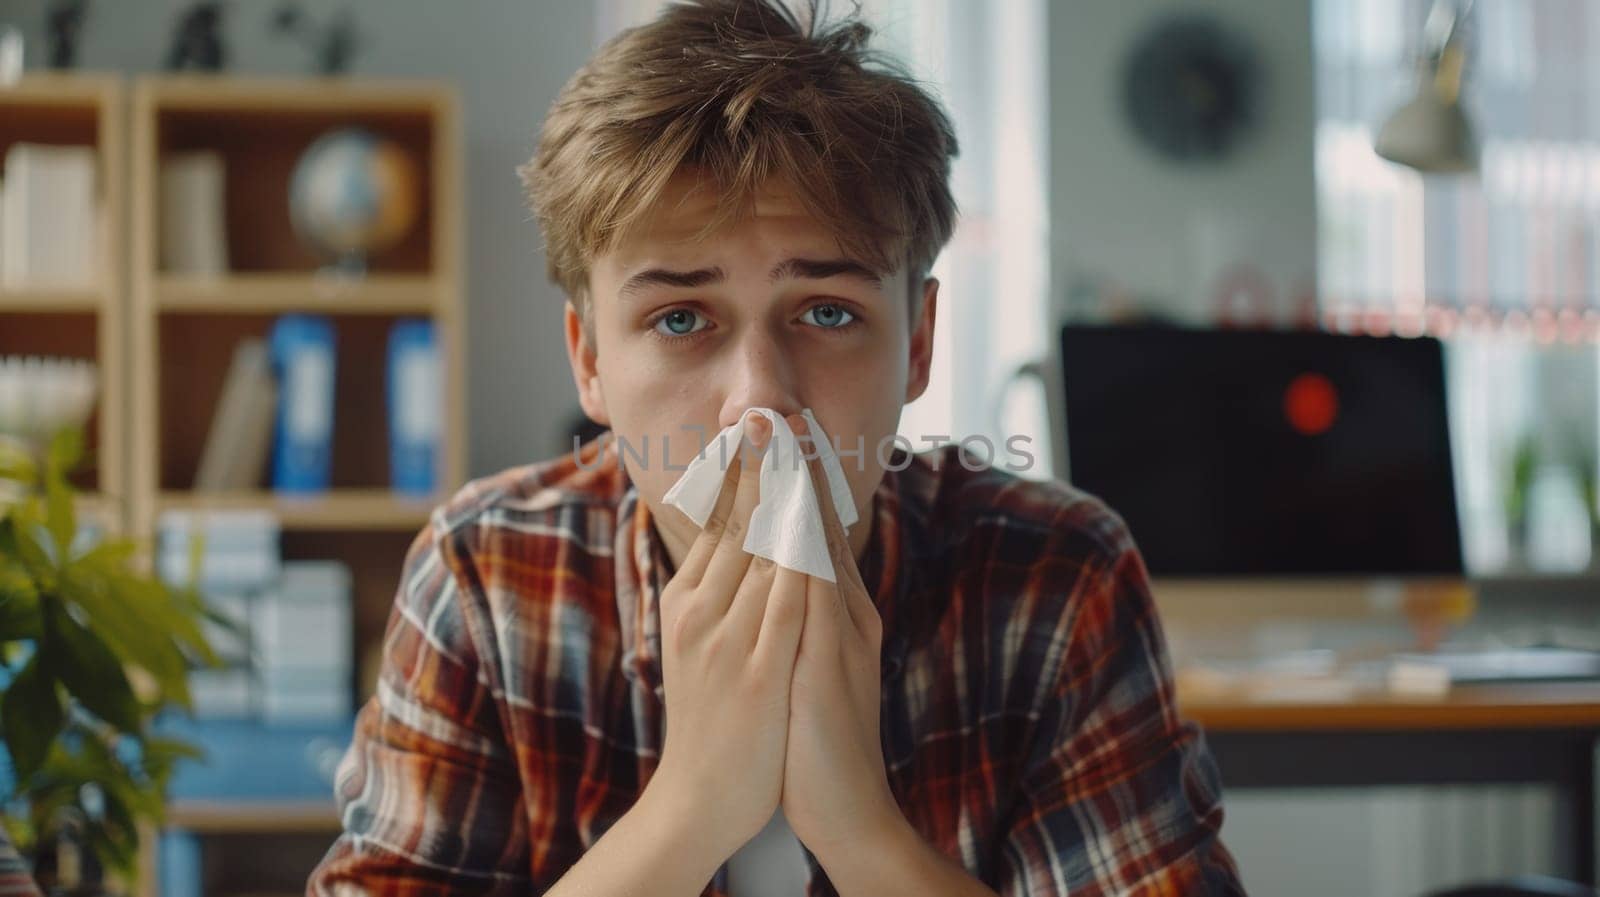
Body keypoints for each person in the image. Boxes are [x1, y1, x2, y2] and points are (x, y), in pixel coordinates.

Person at [307, 1, 1245, 894]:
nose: (760, 398)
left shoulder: (1057, 576)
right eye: (680, 318)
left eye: (828, 311)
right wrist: (688, 810)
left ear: (916, 343)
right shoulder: (486, 578)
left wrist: (860, 828)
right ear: (590, 358)